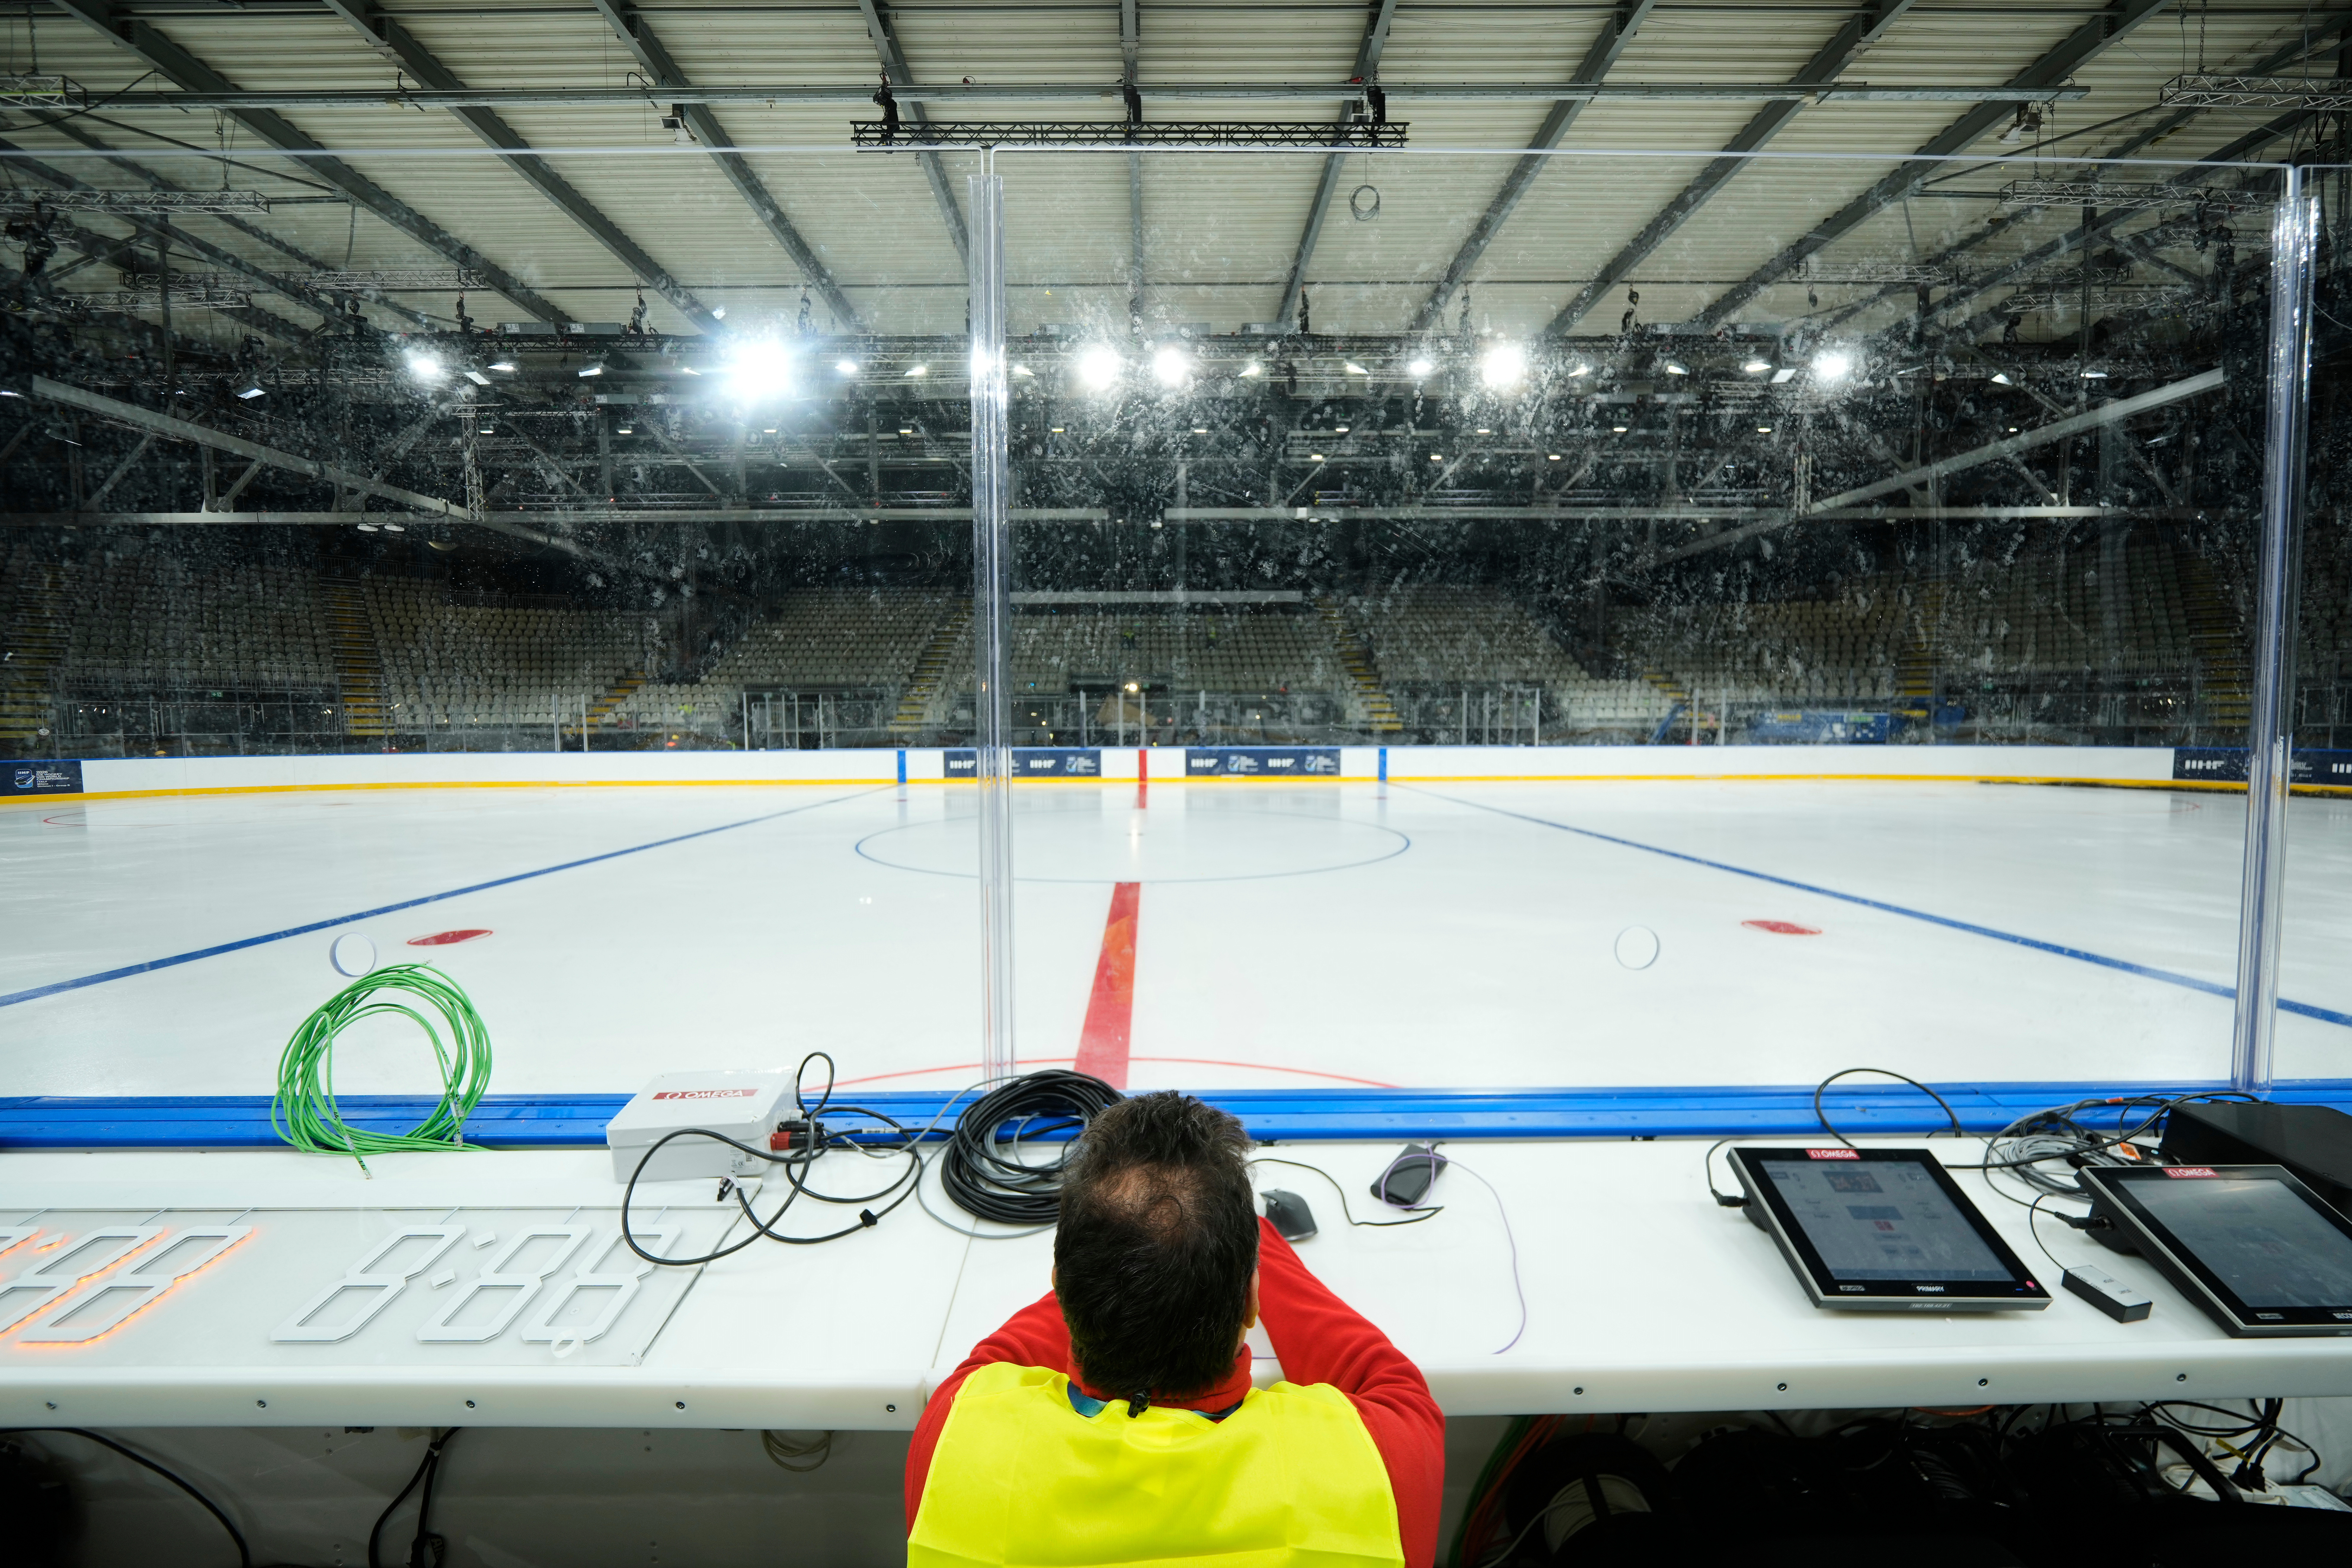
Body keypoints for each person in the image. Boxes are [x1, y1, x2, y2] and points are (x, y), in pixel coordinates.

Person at [906, 1092, 1443, 1568]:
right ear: (1250, 1301)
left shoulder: (958, 1439)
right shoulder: (1382, 1463)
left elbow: (1003, 1356)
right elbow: (1385, 1378)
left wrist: (1116, 1259)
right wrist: (1245, 1242)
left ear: (1061, 1289)